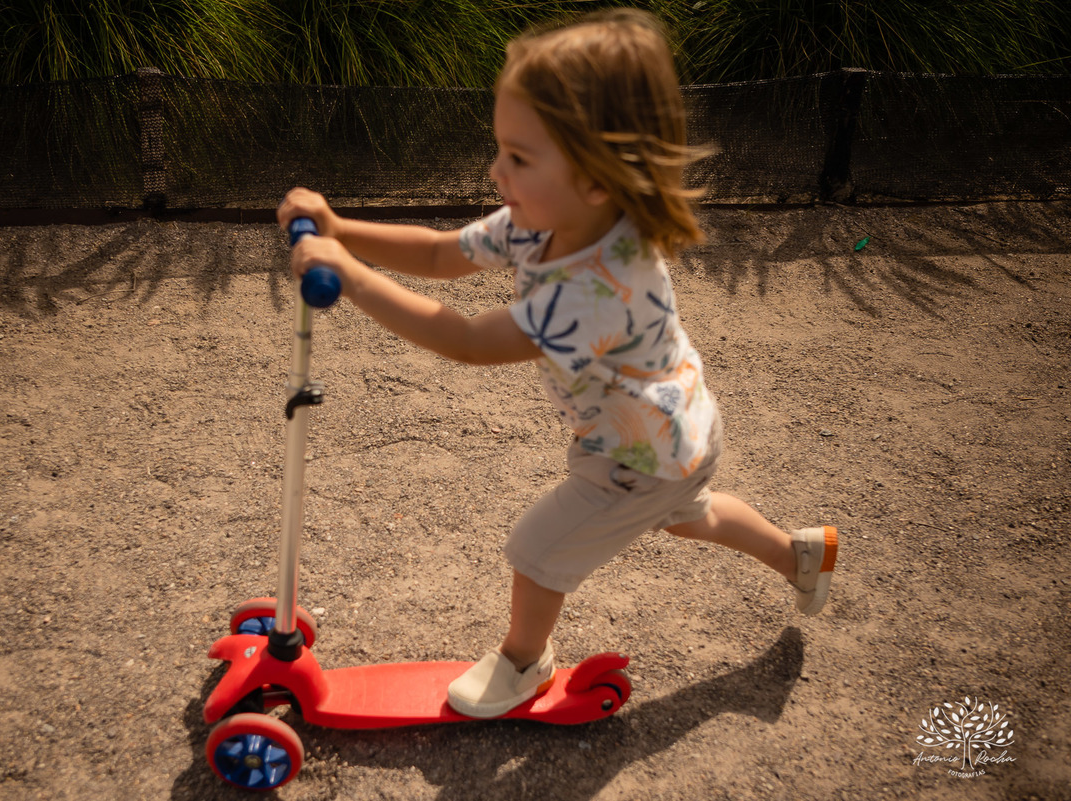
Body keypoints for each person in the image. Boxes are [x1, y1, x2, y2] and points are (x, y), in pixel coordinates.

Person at [276, 7, 838, 719]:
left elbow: (467, 340)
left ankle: (523, 662)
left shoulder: (598, 290)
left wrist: (350, 276)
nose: (496, 170)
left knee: (539, 548)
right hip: (676, 432)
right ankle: (798, 555)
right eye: (500, 149)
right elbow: (442, 253)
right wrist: (341, 230)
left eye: (518, 156)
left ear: (597, 179)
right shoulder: (539, 222)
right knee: (688, 513)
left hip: (637, 455)